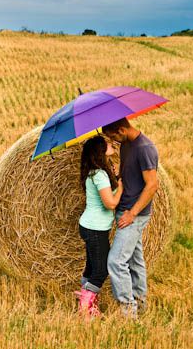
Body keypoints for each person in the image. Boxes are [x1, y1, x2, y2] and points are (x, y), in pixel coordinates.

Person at [102, 117, 159, 319]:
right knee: (135, 261)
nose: (113, 141)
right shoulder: (127, 144)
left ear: (121, 129)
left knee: (116, 261)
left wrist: (132, 213)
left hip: (134, 214)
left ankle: (128, 312)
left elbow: (152, 185)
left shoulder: (145, 148)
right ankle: (141, 304)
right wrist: (120, 174)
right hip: (124, 209)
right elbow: (131, 176)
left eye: (113, 136)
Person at [76, 136, 123, 318]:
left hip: (90, 226)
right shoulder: (99, 175)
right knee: (101, 270)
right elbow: (110, 204)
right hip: (95, 229)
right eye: (107, 144)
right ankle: (85, 307)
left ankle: (86, 298)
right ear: (100, 151)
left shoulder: (95, 173)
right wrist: (121, 187)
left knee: (91, 267)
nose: (111, 145)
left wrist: (115, 177)